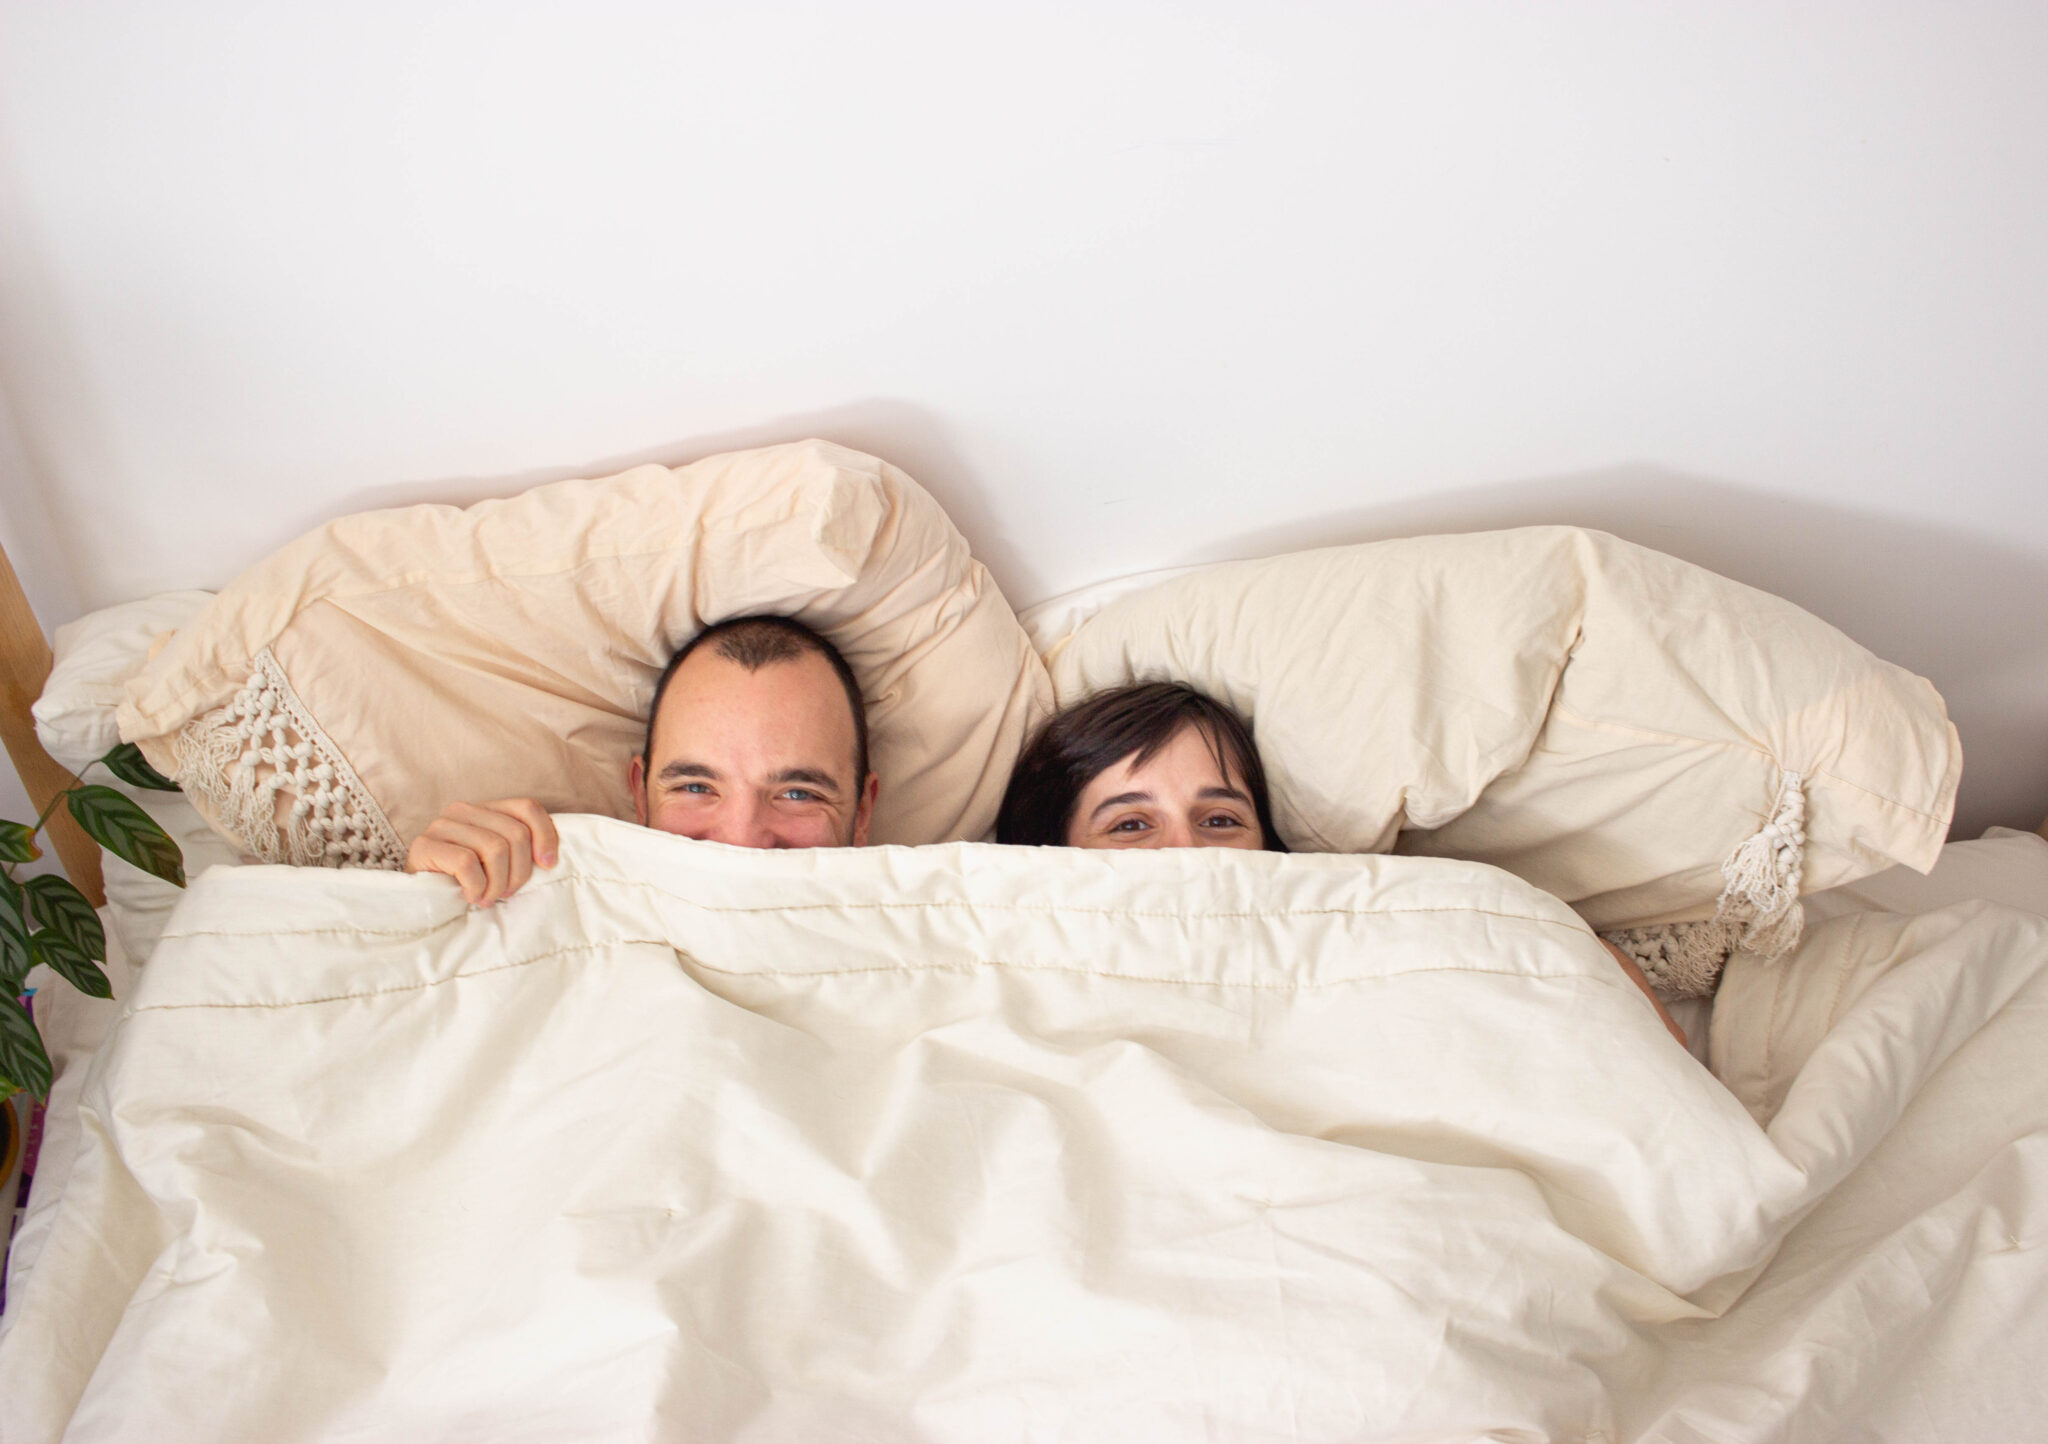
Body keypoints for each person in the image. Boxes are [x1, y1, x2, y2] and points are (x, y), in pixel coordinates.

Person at [997, 681, 1688, 1047]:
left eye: (1219, 820)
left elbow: (1549, 951)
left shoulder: (1360, 929)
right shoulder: (1008, 980)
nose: (1186, 854)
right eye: (1130, 824)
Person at [405, 614, 878, 904]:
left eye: (798, 794)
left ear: (861, 812)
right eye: (696, 787)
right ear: (640, 793)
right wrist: (427, 906)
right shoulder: (542, 915)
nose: (740, 841)